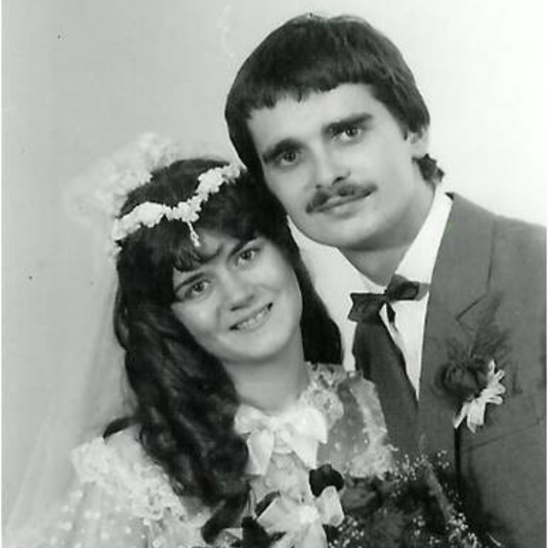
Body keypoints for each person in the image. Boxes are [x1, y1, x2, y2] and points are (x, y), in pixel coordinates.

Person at [224, 13, 546, 548]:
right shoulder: (372, 344)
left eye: (347, 132)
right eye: (289, 155)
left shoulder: (537, 272)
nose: (326, 174)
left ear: (414, 130)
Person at [6, 134, 393, 548]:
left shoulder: (377, 405)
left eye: (246, 255)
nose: (238, 294)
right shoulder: (135, 477)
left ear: (286, 252)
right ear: (169, 320)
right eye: (198, 287)